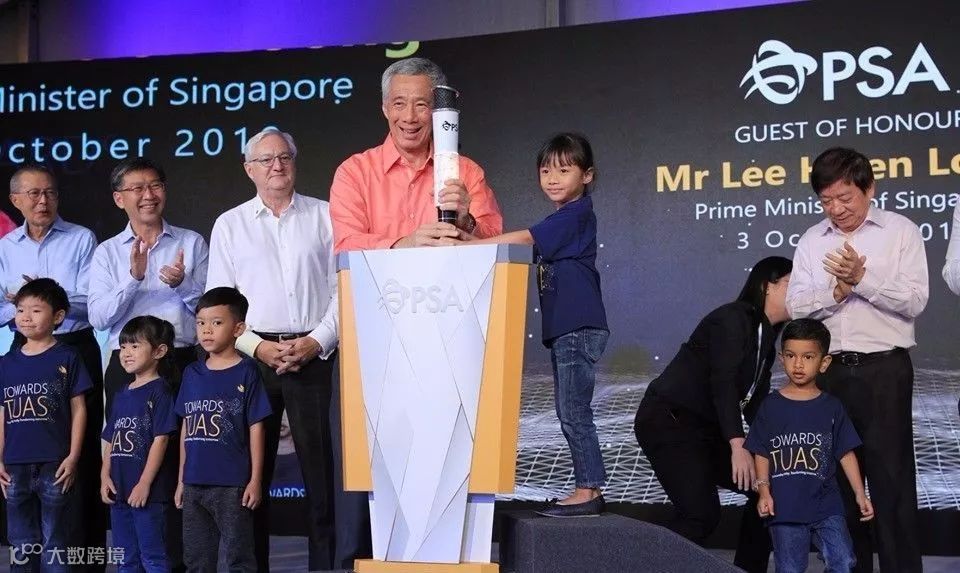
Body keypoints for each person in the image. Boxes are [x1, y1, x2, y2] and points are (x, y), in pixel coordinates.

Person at [206, 127, 342, 571]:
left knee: (321, 478)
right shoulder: (230, 224)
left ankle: (324, 567)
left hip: (314, 354)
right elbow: (220, 304)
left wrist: (317, 341)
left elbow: (345, 288)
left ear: (295, 162)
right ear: (249, 169)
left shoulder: (326, 215)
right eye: (265, 160)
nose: (276, 166)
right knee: (251, 478)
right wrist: (258, 347)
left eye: (284, 156)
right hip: (253, 361)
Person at [786, 147, 927, 573]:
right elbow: (795, 307)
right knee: (838, 485)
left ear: (869, 189)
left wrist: (863, 279)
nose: (836, 209)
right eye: (826, 200)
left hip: (884, 370)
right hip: (830, 374)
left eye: (844, 197)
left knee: (892, 483)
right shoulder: (812, 240)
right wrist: (835, 292)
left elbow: (915, 301)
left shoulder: (900, 231)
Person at [462, 133, 608, 516]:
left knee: (573, 411)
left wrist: (464, 247)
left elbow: (526, 239)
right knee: (569, 410)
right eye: (545, 171)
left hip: (577, 326)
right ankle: (588, 487)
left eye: (564, 170)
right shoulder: (563, 217)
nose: (552, 179)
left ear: (587, 175)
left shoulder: (575, 214)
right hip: (568, 327)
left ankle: (589, 490)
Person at [633, 256, 792, 573]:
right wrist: (737, 443)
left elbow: (755, 402)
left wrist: (779, 446)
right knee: (701, 515)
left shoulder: (766, 338)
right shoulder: (732, 319)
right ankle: (636, 565)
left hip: (705, 430)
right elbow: (722, 382)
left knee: (769, 486)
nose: (801, 290)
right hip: (670, 421)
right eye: (792, 282)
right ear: (767, 286)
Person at [88, 157, 207, 572]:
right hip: (127, 366)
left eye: (154, 185)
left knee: (180, 460)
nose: (147, 195)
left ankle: (178, 559)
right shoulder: (107, 253)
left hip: (181, 362)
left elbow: (211, 311)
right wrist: (134, 279)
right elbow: (99, 317)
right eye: (136, 188)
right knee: (131, 454)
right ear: (119, 198)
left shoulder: (191, 242)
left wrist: (184, 284)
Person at [1, 165, 106, 568]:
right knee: (26, 446)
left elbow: (90, 302)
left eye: (49, 193)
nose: (42, 201)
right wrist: (23, 308)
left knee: (80, 454)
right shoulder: (6, 246)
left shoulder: (81, 238)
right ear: (15, 200)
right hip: (25, 347)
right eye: (33, 194)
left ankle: (84, 561)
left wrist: (48, 300)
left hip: (74, 345)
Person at [330, 56, 503, 253]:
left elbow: (498, 245)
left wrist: (467, 222)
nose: (409, 117)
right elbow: (347, 245)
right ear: (385, 109)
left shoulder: (466, 171)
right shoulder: (354, 172)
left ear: (437, 111)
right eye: (399, 104)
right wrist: (405, 244)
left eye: (421, 105)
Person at [746, 318, 874, 573]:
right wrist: (764, 492)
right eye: (791, 356)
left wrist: (861, 493)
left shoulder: (832, 407)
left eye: (808, 357)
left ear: (824, 363)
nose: (798, 364)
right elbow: (761, 451)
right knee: (791, 568)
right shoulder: (771, 406)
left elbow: (846, 453)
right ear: (781, 358)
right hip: (785, 506)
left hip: (826, 504)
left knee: (843, 560)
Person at [174, 287, 271, 573]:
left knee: (237, 558)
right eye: (201, 323)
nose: (207, 330)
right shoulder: (192, 373)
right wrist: (181, 480)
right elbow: (186, 427)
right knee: (196, 559)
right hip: (194, 483)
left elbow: (256, 427)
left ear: (238, 328)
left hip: (232, 484)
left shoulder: (247, 371)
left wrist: (255, 480)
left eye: (216, 323)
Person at [0, 278, 92, 572]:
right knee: (20, 542)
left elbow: (79, 409)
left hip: (56, 463)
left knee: (56, 541)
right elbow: (2, 413)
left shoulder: (67, 356)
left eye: (36, 310)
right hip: (14, 465)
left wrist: (73, 456)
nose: (26, 317)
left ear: (58, 316)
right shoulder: (6, 363)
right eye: (20, 310)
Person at [100, 316, 178, 573]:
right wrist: (104, 476)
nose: (126, 353)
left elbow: (161, 439)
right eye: (123, 347)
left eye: (135, 346)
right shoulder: (122, 393)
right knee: (126, 558)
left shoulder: (160, 391)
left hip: (149, 493)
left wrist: (144, 483)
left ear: (159, 351)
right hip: (120, 490)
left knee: (153, 557)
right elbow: (111, 438)